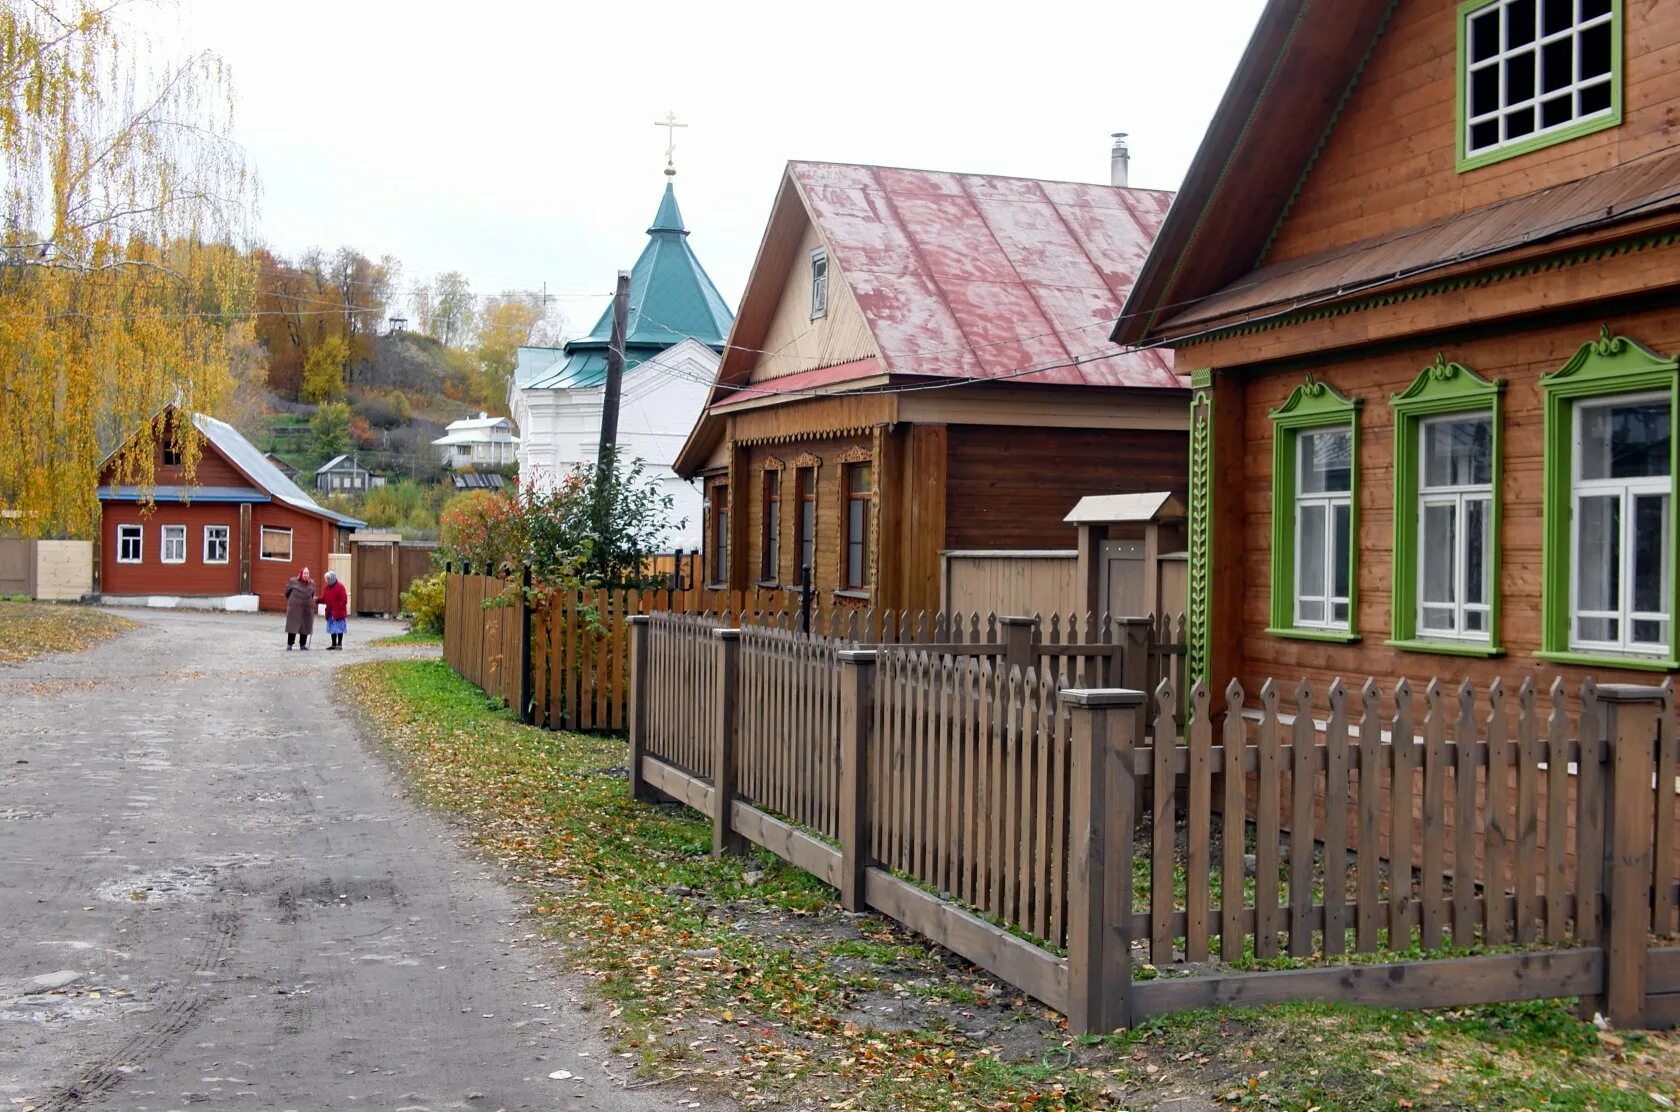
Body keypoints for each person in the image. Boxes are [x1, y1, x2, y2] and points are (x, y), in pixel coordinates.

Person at [284, 566, 316, 650]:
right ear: (301, 573)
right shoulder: (293, 581)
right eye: (305, 573)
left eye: (307, 573)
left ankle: (302, 644)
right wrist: (293, 601)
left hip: (306, 608)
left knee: (305, 626)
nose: (306, 575)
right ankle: (290, 644)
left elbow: (312, 595)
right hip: (295, 608)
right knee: (292, 626)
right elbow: (286, 592)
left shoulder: (312, 583)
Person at [320, 569, 349, 650]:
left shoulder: (340, 587)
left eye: (328, 579)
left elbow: (344, 600)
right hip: (330, 611)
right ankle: (333, 644)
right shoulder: (327, 588)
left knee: (339, 628)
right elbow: (324, 598)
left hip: (339, 612)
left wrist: (338, 607)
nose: (327, 581)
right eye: (326, 579)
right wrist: (317, 600)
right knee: (332, 627)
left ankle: (339, 644)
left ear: (332, 578)